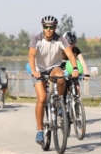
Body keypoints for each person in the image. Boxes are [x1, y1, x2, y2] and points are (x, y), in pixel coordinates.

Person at [28, 16, 79, 145]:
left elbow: (70, 54)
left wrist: (75, 68)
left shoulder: (61, 39)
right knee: (42, 98)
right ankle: (39, 130)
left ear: (55, 28)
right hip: (39, 69)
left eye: (51, 27)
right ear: (43, 27)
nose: (49, 29)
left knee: (61, 76)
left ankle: (59, 101)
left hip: (53, 68)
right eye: (46, 27)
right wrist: (34, 71)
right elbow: (31, 55)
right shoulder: (36, 39)